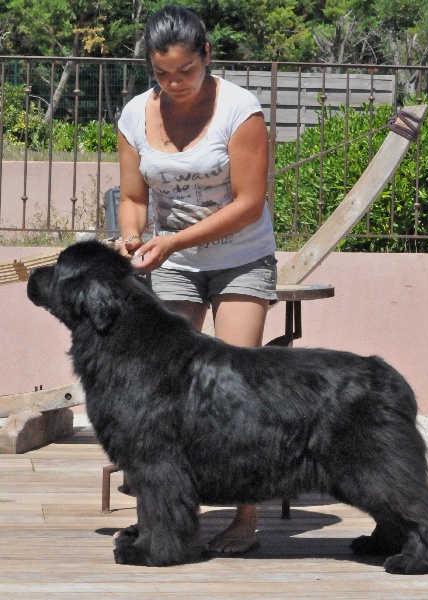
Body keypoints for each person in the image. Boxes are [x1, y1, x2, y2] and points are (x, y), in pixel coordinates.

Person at [115, 4, 277, 555]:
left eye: (185, 70)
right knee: (160, 392)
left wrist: (174, 240)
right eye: (162, 74)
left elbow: (251, 204)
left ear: (207, 56)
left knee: (237, 390)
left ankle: (246, 515)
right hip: (172, 264)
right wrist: (133, 235)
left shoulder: (241, 110)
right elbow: (135, 199)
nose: (175, 83)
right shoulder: (135, 114)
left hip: (240, 258)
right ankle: (166, 515)